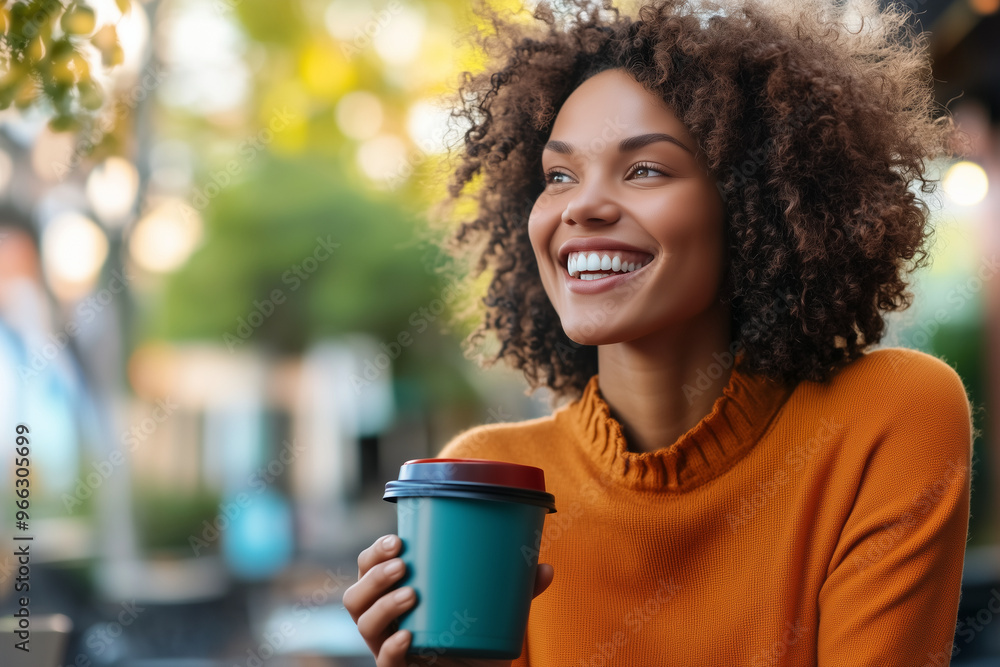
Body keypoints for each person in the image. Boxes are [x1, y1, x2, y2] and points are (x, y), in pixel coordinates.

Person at [343, 0, 975, 664]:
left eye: (645, 168)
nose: (582, 205)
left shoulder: (888, 415)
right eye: (558, 176)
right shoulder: (498, 479)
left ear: (752, 202)